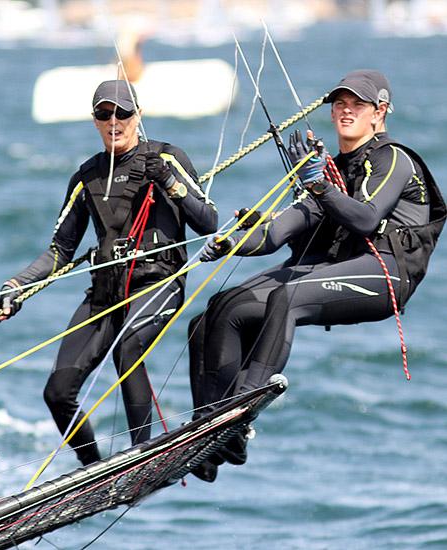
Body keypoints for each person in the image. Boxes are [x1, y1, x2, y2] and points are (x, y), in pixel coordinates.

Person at [188, 69, 445, 481]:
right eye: (339, 104)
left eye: (356, 105)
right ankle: (207, 437)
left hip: (387, 275)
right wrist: (232, 241)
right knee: (218, 309)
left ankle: (234, 416)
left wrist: (320, 187)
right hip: (339, 268)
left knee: (285, 297)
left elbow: (365, 218)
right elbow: (274, 235)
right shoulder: (327, 172)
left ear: (379, 112)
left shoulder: (394, 158)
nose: (345, 111)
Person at [0, 80, 218, 466]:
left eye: (123, 113)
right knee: (57, 392)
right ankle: (95, 471)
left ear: (138, 115)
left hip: (158, 282)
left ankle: (140, 455)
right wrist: (17, 285)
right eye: (104, 113)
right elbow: (60, 250)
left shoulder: (166, 158)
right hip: (106, 293)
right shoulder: (87, 177)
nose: (114, 121)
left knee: (128, 346)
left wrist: (168, 182)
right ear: (94, 120)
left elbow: (208, 222)